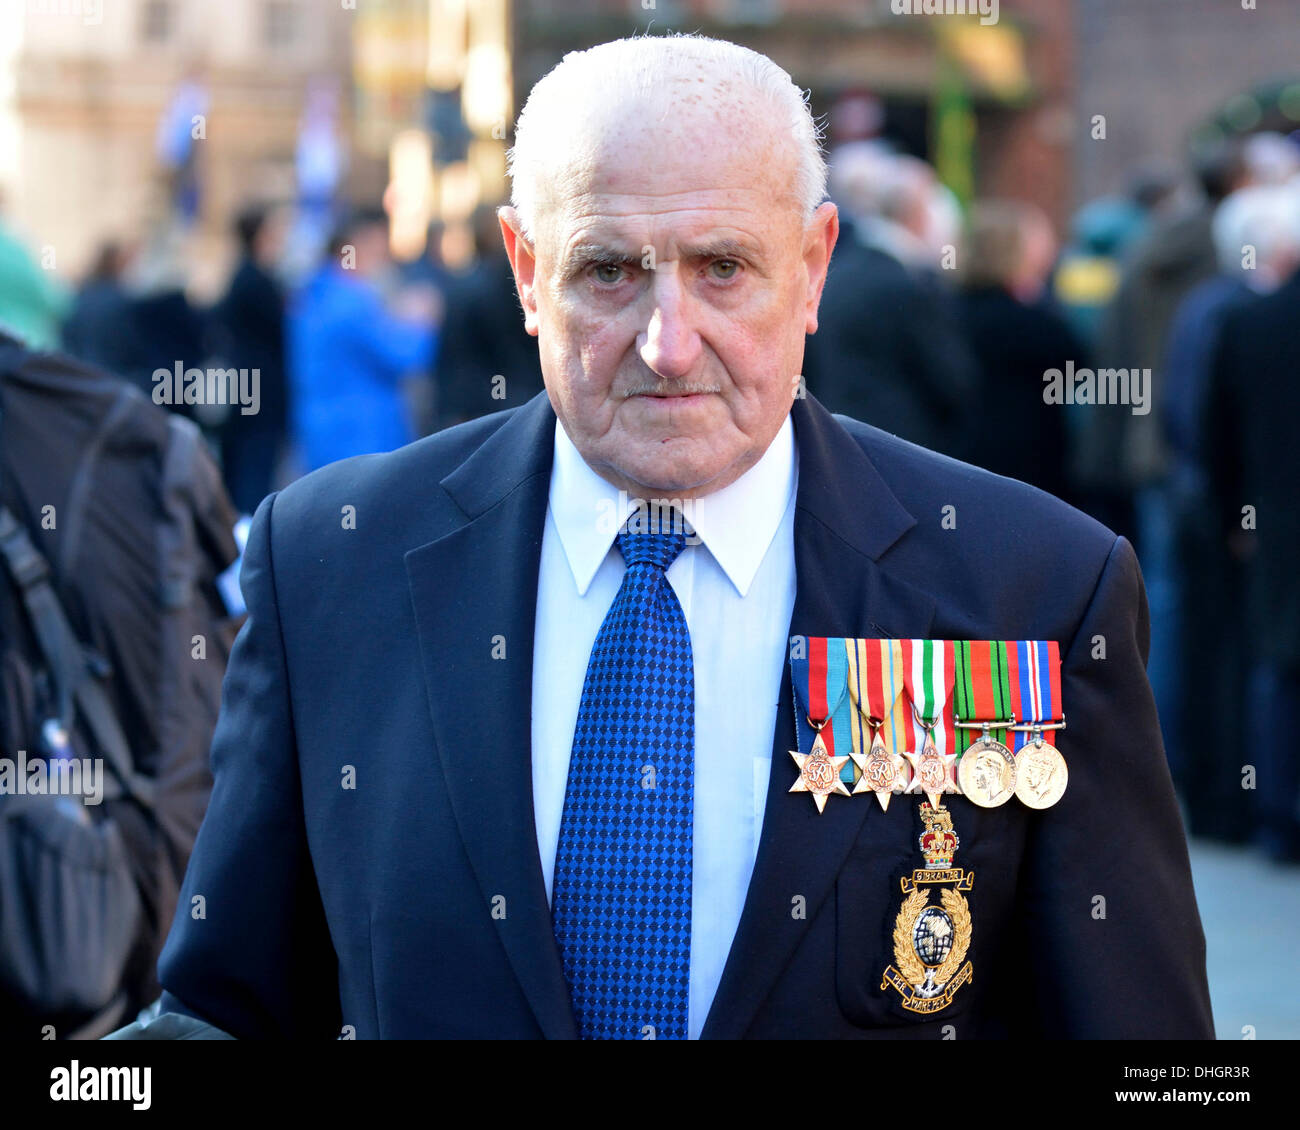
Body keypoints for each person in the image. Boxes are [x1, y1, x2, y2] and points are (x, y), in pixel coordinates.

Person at [138, 33, 1212, 1039]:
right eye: (608, 271)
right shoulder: (331, 562)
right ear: (524, 270)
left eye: (722, 269)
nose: (667, 341)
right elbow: (225, 1007)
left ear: (813, 266)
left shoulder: (1031, 587)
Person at [286, 208, 437, 472]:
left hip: (320, 431)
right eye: (379, 250)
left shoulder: (311, 293)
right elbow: (406, 355)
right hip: (363, 435)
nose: (383, 260)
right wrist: (422, 320)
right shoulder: (353, 299)